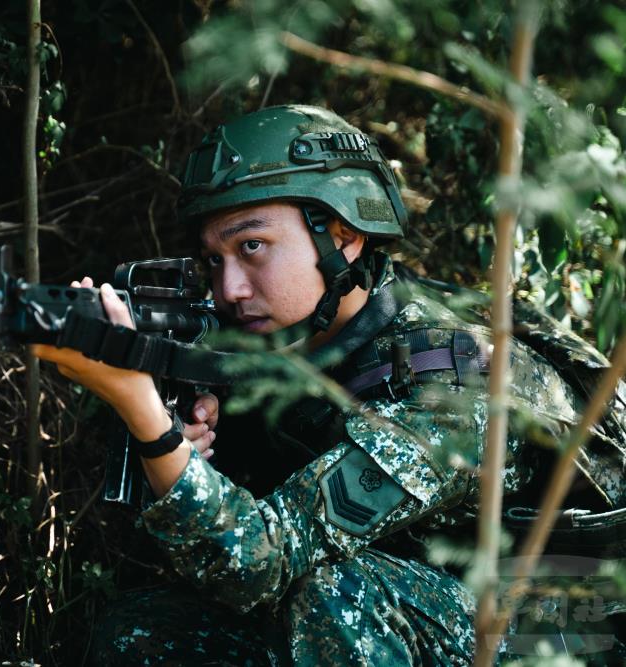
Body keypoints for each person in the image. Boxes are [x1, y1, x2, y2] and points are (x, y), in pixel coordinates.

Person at [33, 105, 625, 665]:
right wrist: (191, 439)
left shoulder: (454, 381)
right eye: (214, 259)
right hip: (435, 592)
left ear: (343, 236)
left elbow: (259, 564)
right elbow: (212, 562)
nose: (230, 287)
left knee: (340, 596)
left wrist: (143, 413)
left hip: (568, 627)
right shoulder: (301, 337)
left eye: (253, 247)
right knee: (143, 633)